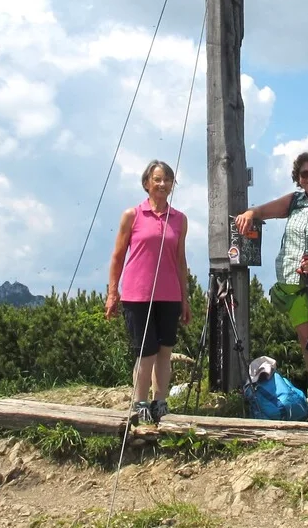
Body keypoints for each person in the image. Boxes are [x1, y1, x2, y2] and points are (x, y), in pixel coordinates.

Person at [234, 149, 308, 424]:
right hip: (293, 281)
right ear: (298, 178)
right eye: (304, 173)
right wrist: (251, 213)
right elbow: (266, 210)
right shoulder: (293, 201)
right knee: (307, 343)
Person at [105, 159, 191, 425]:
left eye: (167, 179)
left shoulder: (180, 219)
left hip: (169, 294)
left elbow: (180, 261)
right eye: (157, 179)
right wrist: (112, 293)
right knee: (145, 352)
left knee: (165, 351)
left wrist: (185, 298)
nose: (162, 184)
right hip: (136, 295)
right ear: (146, 184)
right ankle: (140, 402)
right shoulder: (132, 215)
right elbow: (118, 256)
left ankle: (160, 402)